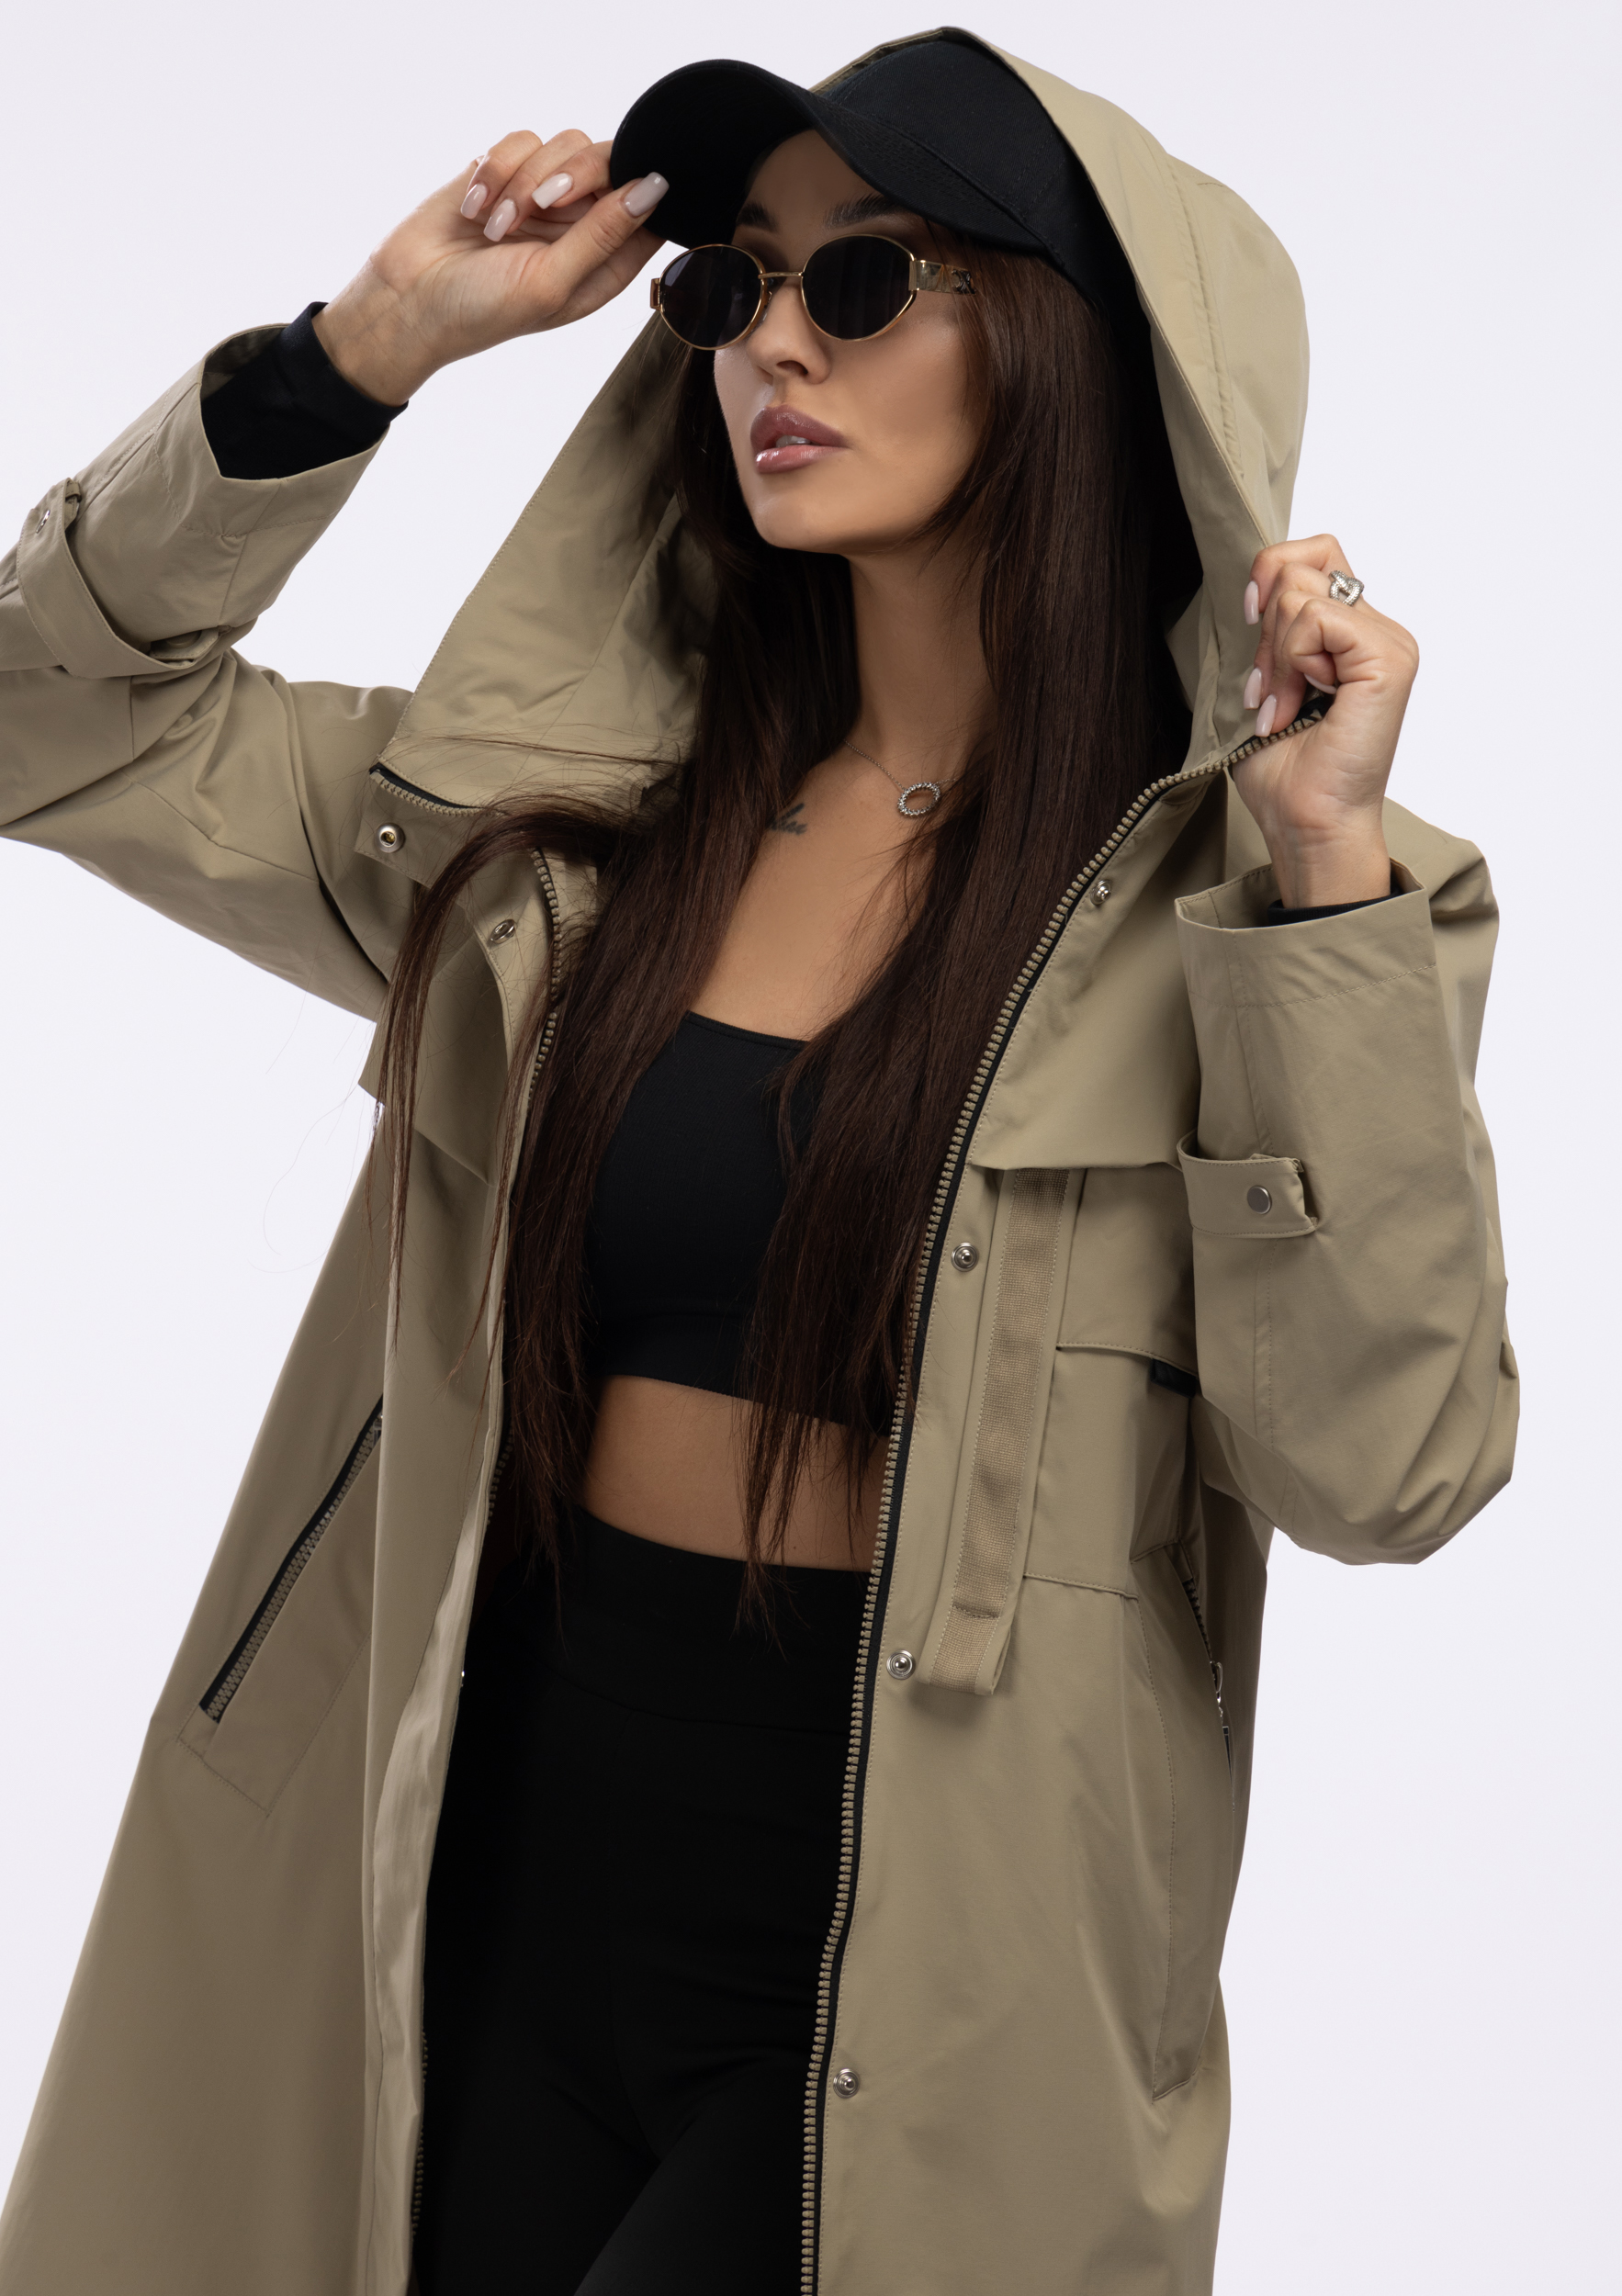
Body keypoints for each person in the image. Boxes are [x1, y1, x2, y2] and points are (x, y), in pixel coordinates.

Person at [0, 28, 1516, 2296]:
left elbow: (1383, 1465)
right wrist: (356, 355)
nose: (770, 344)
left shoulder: (1282, 910)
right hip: (494, 1857)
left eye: (863, 278)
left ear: (1065, 345)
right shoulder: (548, 853)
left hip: (911, 1960)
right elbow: (46, 713)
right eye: (729, 286)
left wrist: (1316, 879)